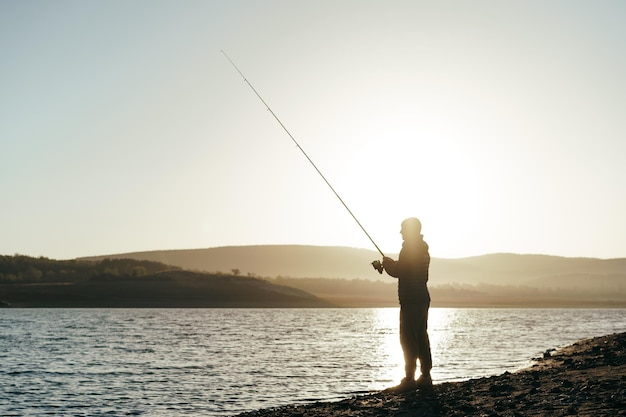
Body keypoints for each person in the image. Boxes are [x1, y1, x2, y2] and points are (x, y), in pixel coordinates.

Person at [382, 217, 433, 388]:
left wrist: (388, 266)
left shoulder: (410, 248)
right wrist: (391, 263)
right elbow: (408, 268)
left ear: (410, 230)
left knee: (408, 339)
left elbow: (401, 271)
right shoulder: (422, 248)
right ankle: (425, 376)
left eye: (403, 228)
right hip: (422, 297)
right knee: (421, 337)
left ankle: (409, 379)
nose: (401, 232)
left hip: (411, 299)